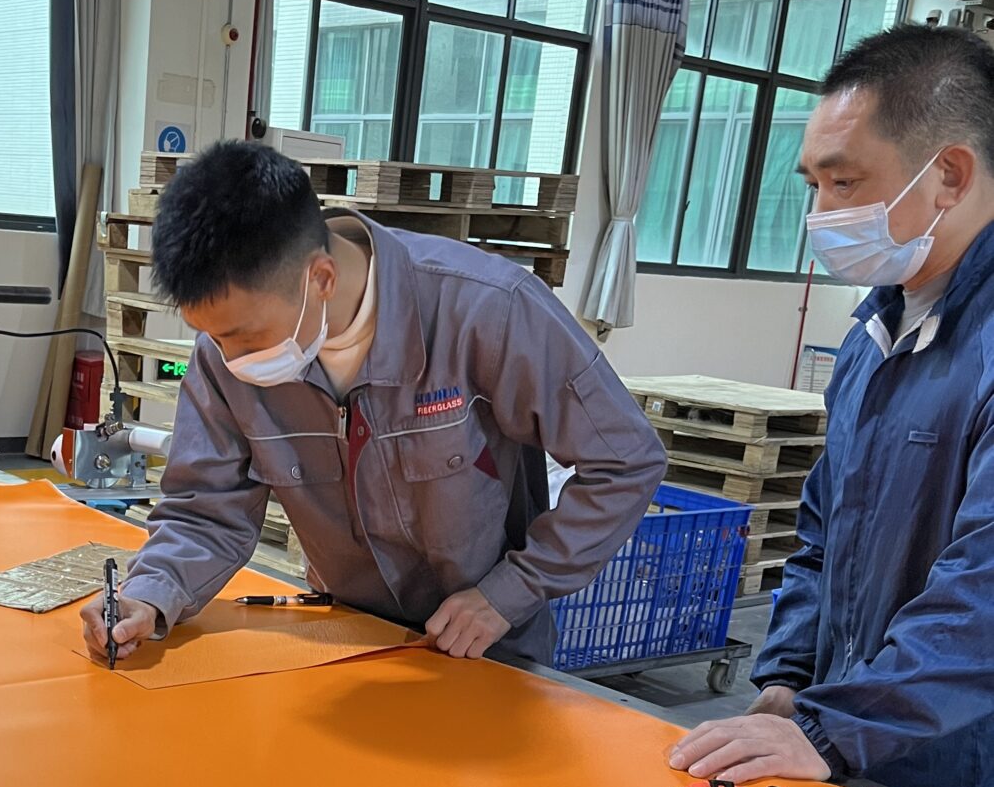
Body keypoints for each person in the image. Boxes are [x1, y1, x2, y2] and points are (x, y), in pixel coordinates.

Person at [82, 141, 664, 667]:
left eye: (246, 337)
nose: (231, 360)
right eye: (213, 337)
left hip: (487, 651)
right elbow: (207, 507)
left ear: (323, 278)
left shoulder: (488, 311)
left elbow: (626, 461)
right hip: (350, 638)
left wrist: (511, 592)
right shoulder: (224, 354)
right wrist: (148, 595)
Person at [671, 23, 994, 787]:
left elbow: (984, 590)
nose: (821, 214)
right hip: (863, 744)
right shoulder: (875, 333)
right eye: (811, 185)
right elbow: (825, 530)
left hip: (966, 778)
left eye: (844, 184)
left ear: (948, 173)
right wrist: (789, 681)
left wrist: (834, 725)